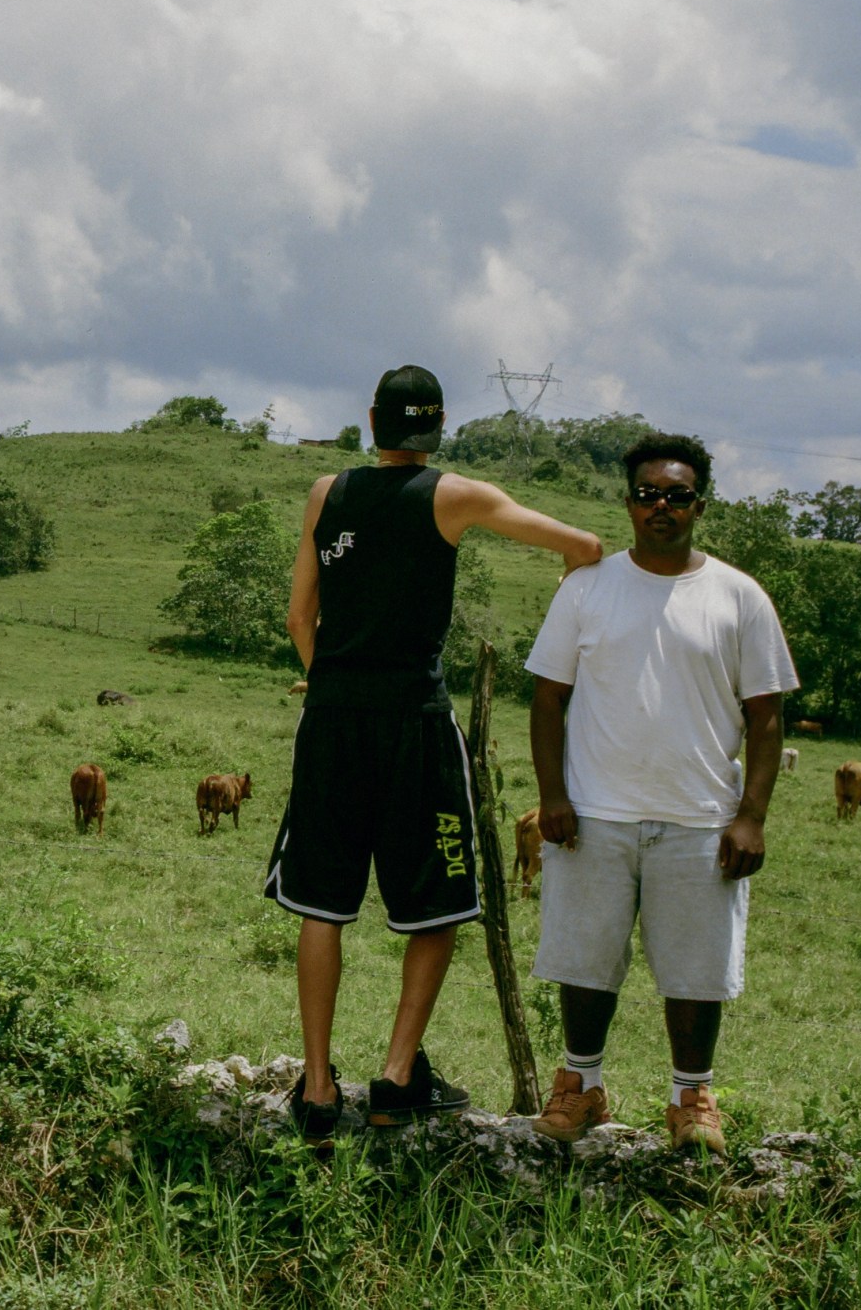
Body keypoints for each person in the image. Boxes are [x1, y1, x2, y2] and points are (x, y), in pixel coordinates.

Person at [266, 365, 603, 1143]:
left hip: (332, 718)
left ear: (373, 422)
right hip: (415, 722)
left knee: (322, 902)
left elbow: (297, 617)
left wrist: (338, 687)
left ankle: (318, 1090)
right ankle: (394, 1076)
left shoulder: (327, 492)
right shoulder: (456, 496)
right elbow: (582, 544)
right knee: (440, 899)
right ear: (439, 425)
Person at [523, 432, 797, 1154]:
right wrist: (552, 794)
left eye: (677, 495)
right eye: (648, 494)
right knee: (583, 959)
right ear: (628, 502)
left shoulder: (739, 596)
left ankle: (691, 1098)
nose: (661, 506)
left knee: (695, 966)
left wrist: (752, 815)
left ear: (699, 505)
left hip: (701, 818)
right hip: (594, 812)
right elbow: (548, 698)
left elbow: (766, 715)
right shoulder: (586, 588)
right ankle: (579, 1087)